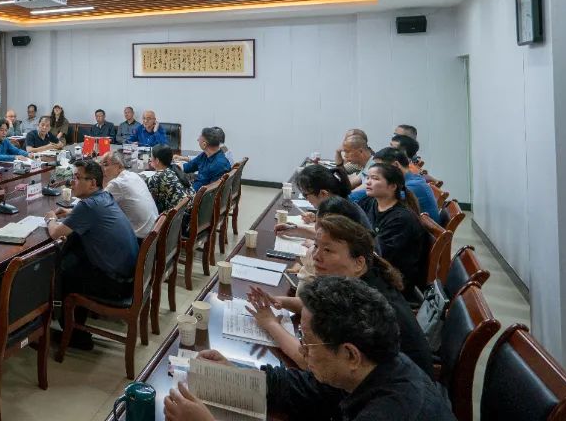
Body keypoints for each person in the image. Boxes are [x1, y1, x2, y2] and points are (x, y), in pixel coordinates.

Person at [164, 276, 453, 421]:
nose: (301, 351)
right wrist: (237, 374)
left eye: (308, 341)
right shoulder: (369, 368)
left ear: (350, 354)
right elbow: (310, 388)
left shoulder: (390, 412)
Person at [248, 215, 434, 378]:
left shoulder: (363, 304)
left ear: (358, 262)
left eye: (328, 250)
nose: (316, 256)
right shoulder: (363, 277)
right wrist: (281, 301)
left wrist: (270, 323)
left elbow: (312, 363)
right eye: (316, 246)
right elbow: (318, 308)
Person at [44, 159, 139, 351]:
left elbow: (55, 233)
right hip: (130, 275)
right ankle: (71, 324)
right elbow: (92, 214)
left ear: (93, 183)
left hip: (115, 284)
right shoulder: (104, 197)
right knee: (73, 257)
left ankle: (76, 336)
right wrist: (71, 212)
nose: (72, 182)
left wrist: (51, 219)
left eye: (77, 178)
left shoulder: (87, 206)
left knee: (62, 273)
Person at [356, 163, 428, 292]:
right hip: (371, 265)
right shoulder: (368, 201)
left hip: (392, 281)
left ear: (393, 186)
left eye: (375, 178)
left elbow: (380, 254)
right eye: (368, 177)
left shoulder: (401, 219)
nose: (368, 182)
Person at [350, 147, 438, 220]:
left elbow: (381, 199)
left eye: (380, 167)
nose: (377, 170)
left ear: (396, 165)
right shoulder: (405, 181)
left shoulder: (413, 185)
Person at [99, 151, 159, 238]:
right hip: (153, 231)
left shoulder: (117, 183)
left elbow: (97, 206)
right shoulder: (133, 175)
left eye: (105, 165)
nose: (102, 170)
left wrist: (104, 179)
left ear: (119, 166)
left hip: (140, 238)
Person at [144, 144, 193, 213]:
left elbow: (144, 191)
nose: (150, 159)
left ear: (157, 160)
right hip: (190, 210)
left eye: (151, 156)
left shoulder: (158, 177)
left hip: (180, 216)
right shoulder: (176, 168)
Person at [182, 127, 231, 192]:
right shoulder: (205, 155)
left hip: (197, 195)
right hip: (195, 190)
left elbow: (212, 193)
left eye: (199, 138)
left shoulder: (219, 165)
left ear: (204, 144)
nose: (197, 140)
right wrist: (172, 166)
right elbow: (188, 167)